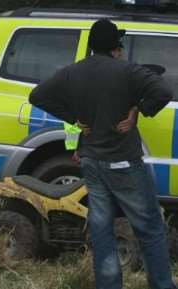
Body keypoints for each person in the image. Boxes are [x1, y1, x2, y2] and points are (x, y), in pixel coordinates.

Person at [29, 19, 175, 289]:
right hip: (123, 164)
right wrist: (138, 110)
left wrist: (73, 117)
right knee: (150, 228)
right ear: (115, 48)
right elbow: (164, 91)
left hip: (91, 163)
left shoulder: (72, 72)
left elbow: (37, 96)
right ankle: (163, 285)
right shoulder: (128, 71)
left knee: (101, 229)